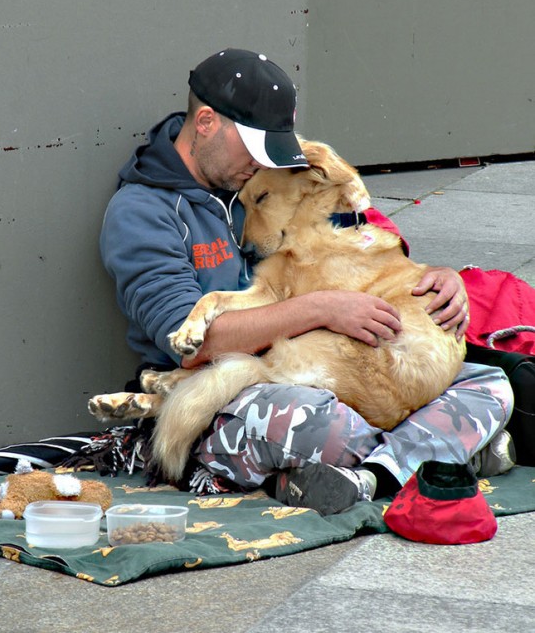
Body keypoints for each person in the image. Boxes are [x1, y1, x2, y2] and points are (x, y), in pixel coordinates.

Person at [99, 48, 515, 515]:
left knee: (490, 382)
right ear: (207, 123)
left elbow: (363, 237)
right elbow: (192, 344)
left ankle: (369, 476)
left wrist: (440, 279)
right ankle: (441, 453)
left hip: (334, 365)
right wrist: (322, 308)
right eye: (255, 150)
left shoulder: (256, 172)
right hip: (222, 389)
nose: (261, 165)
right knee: (320, 425)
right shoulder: (142, 213)